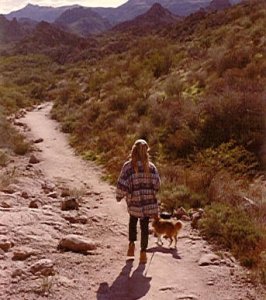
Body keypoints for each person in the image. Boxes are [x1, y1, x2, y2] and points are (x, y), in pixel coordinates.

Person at [116, 139, 160, 264]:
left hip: (134, 201)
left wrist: (119, 196)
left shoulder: (128, 167)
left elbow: (122, 184)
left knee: (132, 221)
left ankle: (131, 246)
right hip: (148, 203)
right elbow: (157, 184)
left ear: (133, 150)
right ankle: (143, 253)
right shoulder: (151, 167)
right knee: (145, 226)